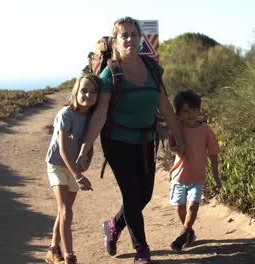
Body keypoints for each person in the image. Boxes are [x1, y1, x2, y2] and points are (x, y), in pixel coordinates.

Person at [76, 17, 185, 264]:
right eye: (124, 35)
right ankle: (142, 250)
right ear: (115, 41)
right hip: (117, 142)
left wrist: (177, 134)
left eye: (133, 34)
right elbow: (101, 114)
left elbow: (165, 105)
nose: (129, 39)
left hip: (146, 140)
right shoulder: (110, 73)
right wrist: (86, 146)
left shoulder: (152, 69)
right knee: (131, 195)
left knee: (144, 195)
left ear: (140, 38)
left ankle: (113, 224)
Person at [45, 74, 99, 264]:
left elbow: (89, 142)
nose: (88, 95)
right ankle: (69, 256)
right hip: (57, 165)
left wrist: (87, 160)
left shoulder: (92, 117)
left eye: (93, 92)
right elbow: (63, 148)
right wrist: (78, 176)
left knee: (63, 212)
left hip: (74, 167)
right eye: (84, 90)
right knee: (66, 209)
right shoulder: (65, 114)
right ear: (76, 91)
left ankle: (53, 249)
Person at [167, 89, 222, 251]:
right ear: (178, 113)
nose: (190, 114)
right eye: (185, 111)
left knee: (193, 206)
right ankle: (190, 232)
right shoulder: (176, 128)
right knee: (180, 208)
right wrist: (176, 149)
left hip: (197, 178)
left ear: (199, 110)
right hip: (178, 177)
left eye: (194, 110)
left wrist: (216, 176)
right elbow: (171, 146)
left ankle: (183, 233)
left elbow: (213, 153)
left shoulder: (205, 129)